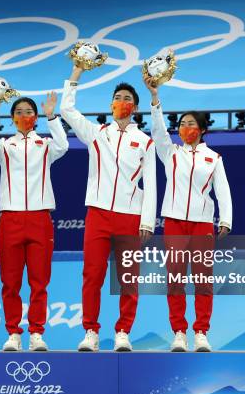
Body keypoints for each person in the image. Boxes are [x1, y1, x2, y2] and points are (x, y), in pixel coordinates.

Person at [60, 66, 157, 352]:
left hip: (130, 217)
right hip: (99, 215)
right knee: (92, 275)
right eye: (117, 97)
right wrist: (75, 73)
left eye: (126, 97)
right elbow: (67, 109)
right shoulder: (96, 134)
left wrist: (147, 221)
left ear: (135, 107)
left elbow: (150, 184)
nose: (121, 101)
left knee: (128, 278)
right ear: (111, 104)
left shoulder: (145, 142)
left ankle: (123, 332)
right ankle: (90, 331)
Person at [145, 77, 232, 352]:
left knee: (203, 280)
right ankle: (179, 332)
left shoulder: (214, 158)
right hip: (174, 222)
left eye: (191, 124)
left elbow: (223, 191)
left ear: (202, 130)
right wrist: (155, 99)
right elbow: (158, 132)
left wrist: (226, 219)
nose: (185, 128)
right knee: (175, 279)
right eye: (181, 124)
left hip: (202, 224)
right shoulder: (170, 153)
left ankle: (201, 332)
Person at [0, 93, 68, 351]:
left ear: (36, 117)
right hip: (11, 218)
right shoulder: (4, 146)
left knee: (39, 281)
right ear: (12, 119)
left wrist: (53, 116)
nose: (24, 116)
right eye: (18, 112)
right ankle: (13, 333)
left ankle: (37, 333)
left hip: (40, 217)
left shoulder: (46, 145)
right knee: (10, 281)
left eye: (28, 111)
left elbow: (63, 145)